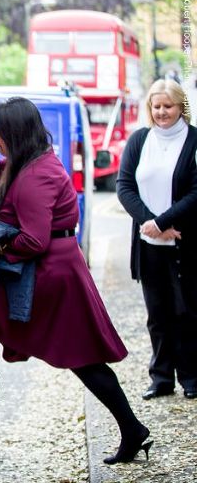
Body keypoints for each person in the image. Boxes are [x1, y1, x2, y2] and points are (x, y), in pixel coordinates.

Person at [0, 97, 151, 465]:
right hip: (52, 269)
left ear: (13, 132)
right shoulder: (24, 162)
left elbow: (33, 241)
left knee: (83, 359)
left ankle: (132, 430)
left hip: (55, 275)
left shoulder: (36, 175)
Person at [116, 79, 197, 401]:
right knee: (157, 313)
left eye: (168, 106)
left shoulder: (194, 140)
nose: (162, 112)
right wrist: (150, 224)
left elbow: (195, 191)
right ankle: (161, 377)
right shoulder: (139, 140)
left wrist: (163, 222)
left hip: (185, 241)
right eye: (156, 106)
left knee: (188, 312)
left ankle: (191, 377)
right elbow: (124, 186)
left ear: (181, 107)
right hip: (148, 243)